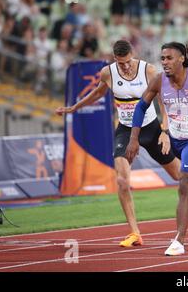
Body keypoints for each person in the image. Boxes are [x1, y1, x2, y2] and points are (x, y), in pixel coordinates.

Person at [55, 40, 180, 247]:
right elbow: (97, 93)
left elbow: (163, 100)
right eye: (121, 63)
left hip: (150, 128)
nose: (126, 66)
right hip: (125, 129)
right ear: (115, 60)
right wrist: (73, 108)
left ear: (134, 55)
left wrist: (165, 131)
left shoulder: (147, 70)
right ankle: (135, 233)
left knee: (178, 175)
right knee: (122, 181)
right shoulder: (108, 73)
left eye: (128, 61)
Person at [125, 42, 188, 256]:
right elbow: (141, 106)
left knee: (184, 182)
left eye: (169, 58)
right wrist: (133, 139)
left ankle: (179, 240)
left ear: (182, 58)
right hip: (173, 139)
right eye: (162, 58)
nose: (164, 62)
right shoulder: (158, 81)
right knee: (181, 181)